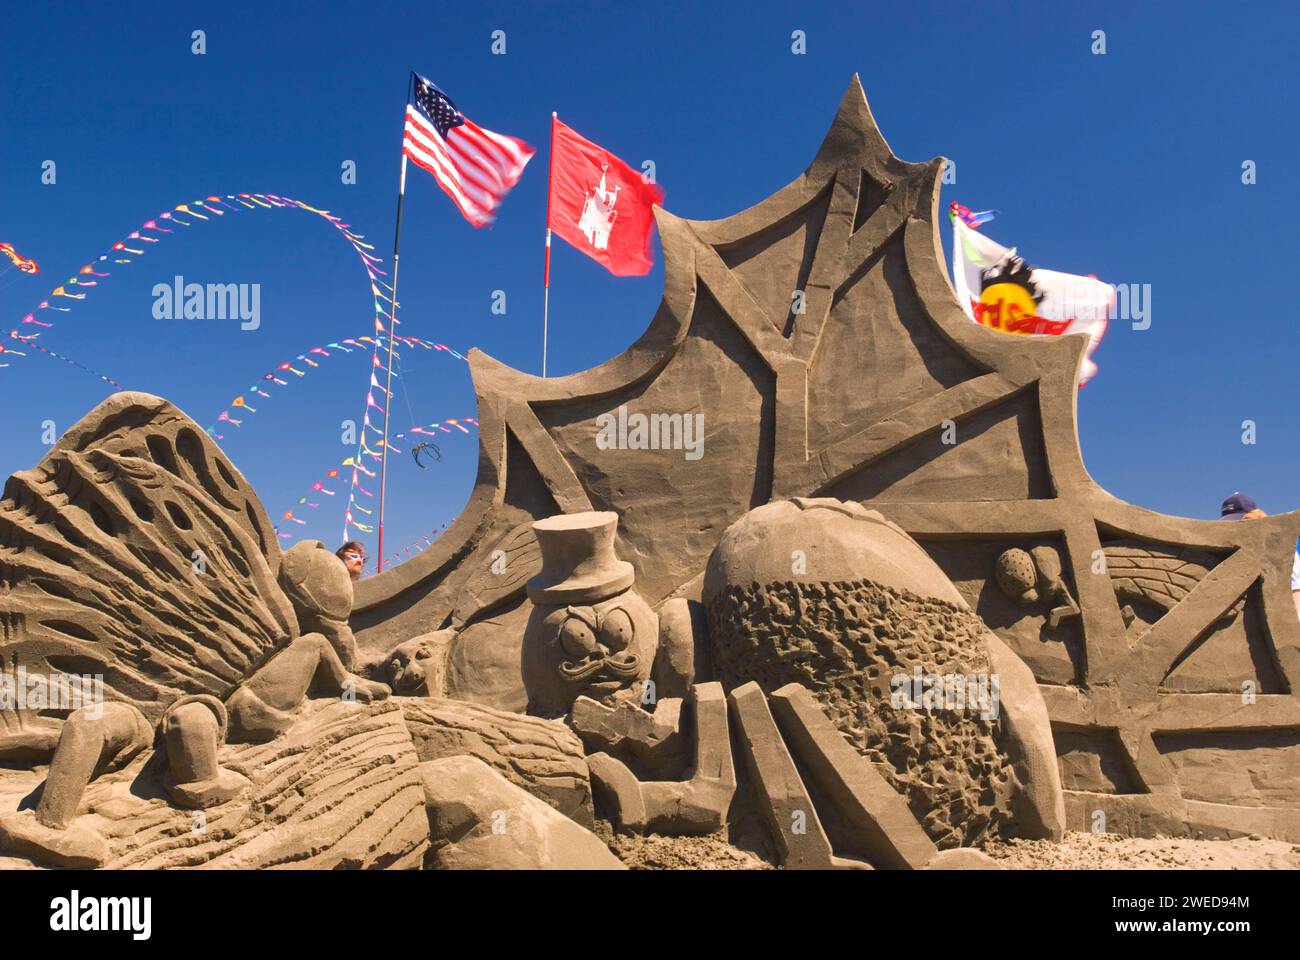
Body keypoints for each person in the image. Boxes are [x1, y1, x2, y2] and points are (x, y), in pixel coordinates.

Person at [1219, 493, 1300, 620]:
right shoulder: (1225, 551)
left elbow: (1295, 591)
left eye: (1241, 522)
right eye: (1229, 524)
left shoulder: (1280, 548)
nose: (1234, 528)